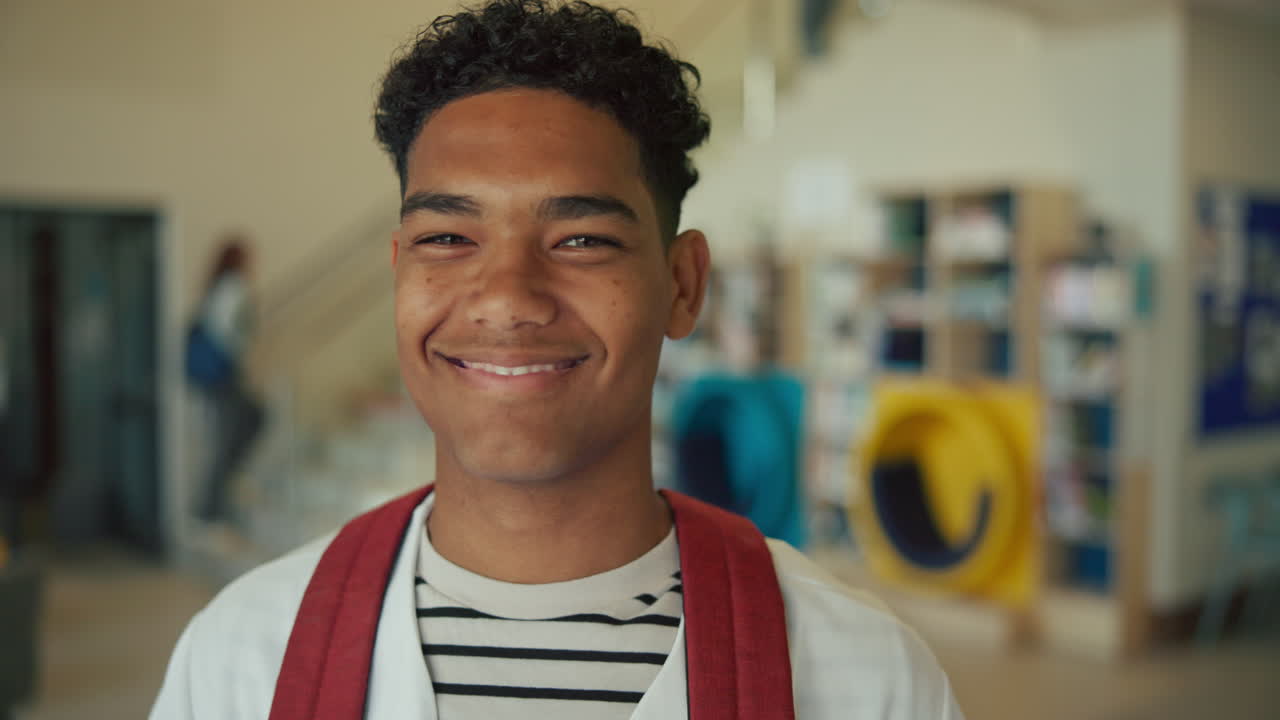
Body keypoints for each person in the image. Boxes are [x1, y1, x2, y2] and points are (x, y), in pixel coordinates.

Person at [152, 2, 963, 718]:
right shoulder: (243, 654)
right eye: (447, 238)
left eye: (581, 239)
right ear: (400, 273)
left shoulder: (864, 677)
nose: (506, 298)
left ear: (682, 286)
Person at [185, 238, 265, 524]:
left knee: (229, 435)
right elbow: (227, 330)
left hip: (216, 375)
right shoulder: (234, 288)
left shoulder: (217, 287)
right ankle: (211, 508)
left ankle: (214, 505)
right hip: (223, 373)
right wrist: (241, 354)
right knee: (233, 434)